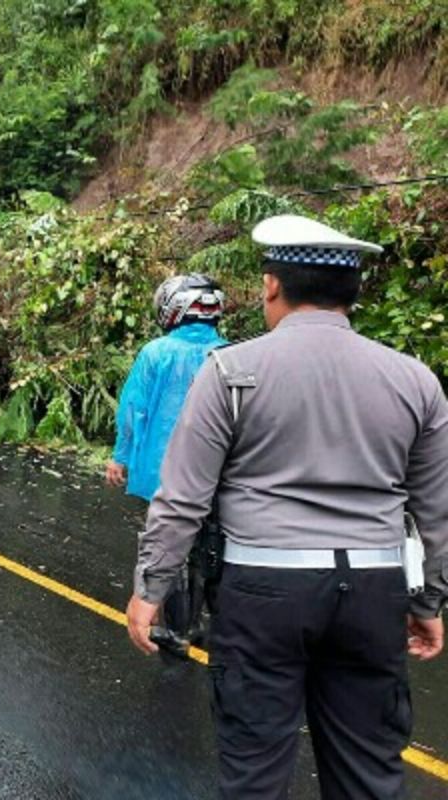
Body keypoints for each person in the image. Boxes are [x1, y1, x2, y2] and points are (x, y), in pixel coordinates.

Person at [127, 214, 447, 799]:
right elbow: (436, 509)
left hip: (263, 593)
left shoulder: (230, 373)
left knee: (256, 773)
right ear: (352, 292)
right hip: (374, 589)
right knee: (369, 774)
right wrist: (428, 599)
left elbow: (183, 499)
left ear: (272, 286)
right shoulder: (415, 380)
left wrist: (151, 589)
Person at [106, 274, 227, 501]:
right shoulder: (232, 354)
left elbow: (133, 410)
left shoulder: (155, 353)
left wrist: (120, 457)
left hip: (161, 471)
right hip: (214, 475)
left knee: (162, 531)